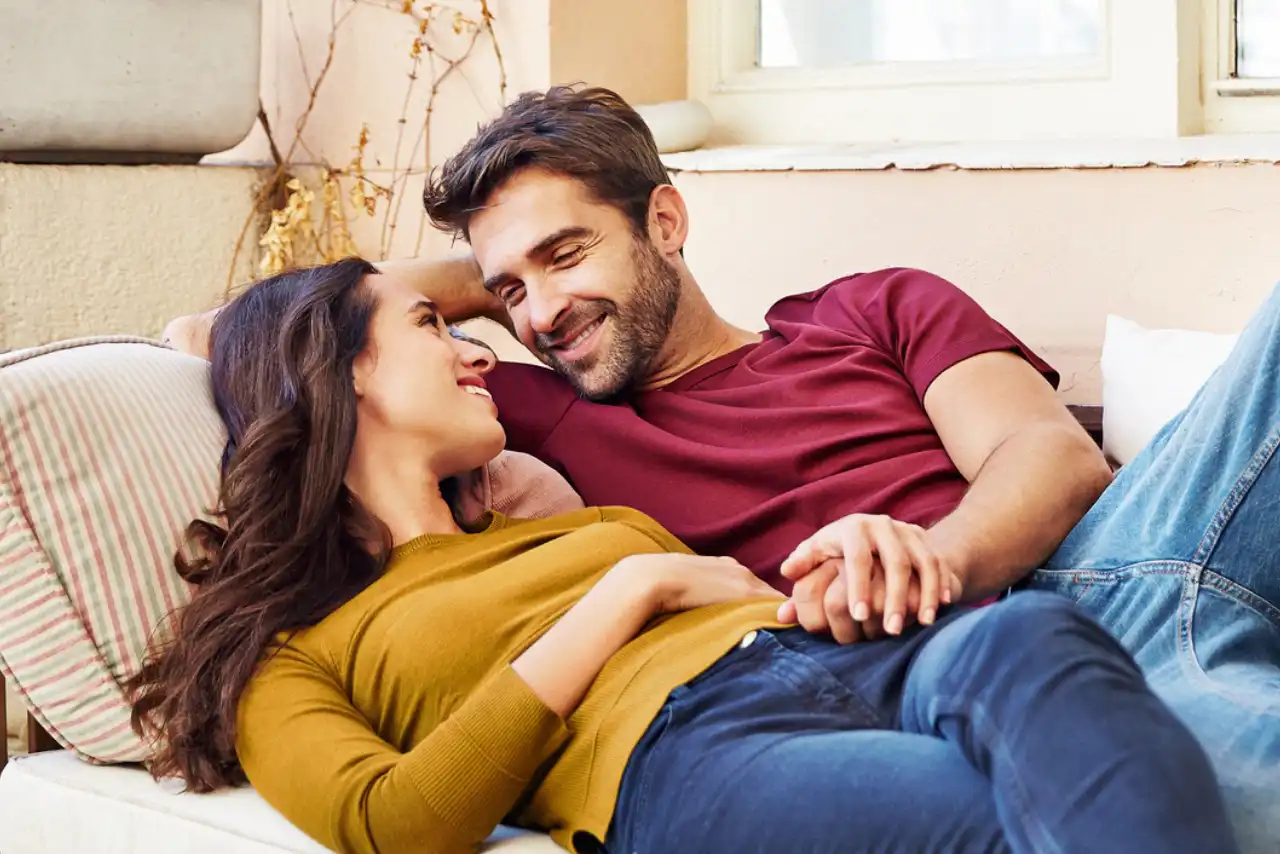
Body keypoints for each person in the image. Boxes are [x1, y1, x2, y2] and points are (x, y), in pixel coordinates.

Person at [131, 258, 1238, 854]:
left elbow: (748, 593)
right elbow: (398, 821)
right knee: (987, 810)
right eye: (432, 325)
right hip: (683, 752)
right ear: (343, 372)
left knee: (1030, 633)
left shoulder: (554, 516)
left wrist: (852, 552)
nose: (477, 350)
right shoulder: (293, 652)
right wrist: (634, 584)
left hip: (825, 645)